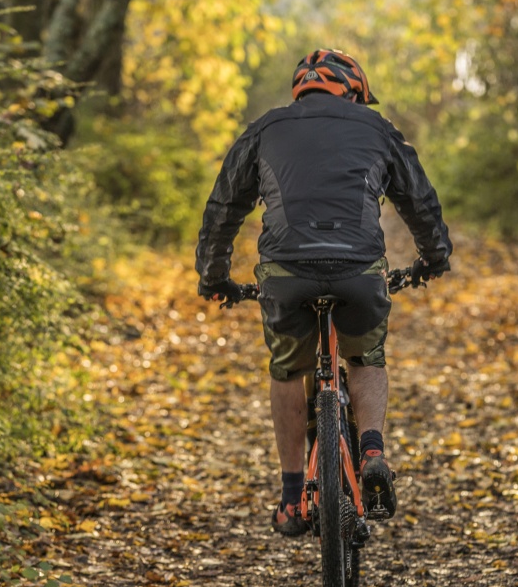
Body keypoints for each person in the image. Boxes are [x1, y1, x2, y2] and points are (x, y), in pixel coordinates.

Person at [194, 49, 452, 536]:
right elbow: (419, 198)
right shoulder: (377, 129)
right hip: (359, 270)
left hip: (285, 273)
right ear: (354, 91)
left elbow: (224, 207)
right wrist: (433, 257)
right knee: (366, 357)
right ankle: (373, 450)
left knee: (288, 367)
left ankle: (293, 498)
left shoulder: (266, 129)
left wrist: (214, 278)